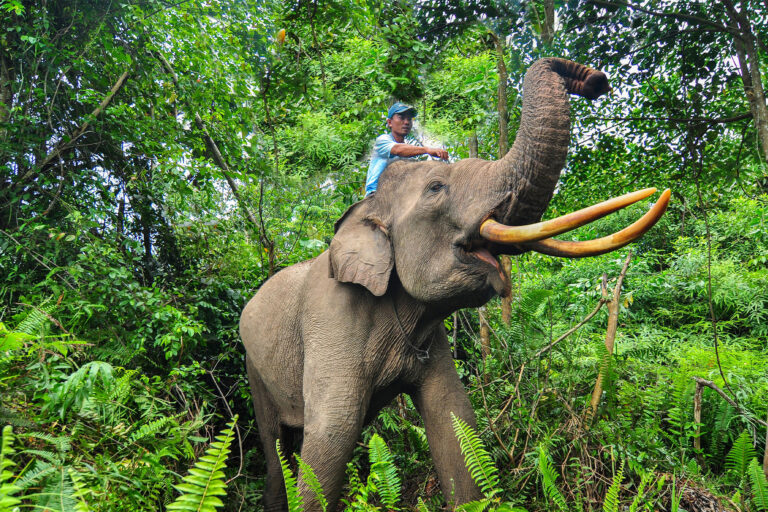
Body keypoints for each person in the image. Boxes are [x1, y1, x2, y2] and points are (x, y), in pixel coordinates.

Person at [364, 102, 449, 196]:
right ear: (389, 122)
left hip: (397, 195)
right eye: (401, 117)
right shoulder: (383, 140)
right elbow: (398, 149)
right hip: (376, 195)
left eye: (409, 119)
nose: (406, 122)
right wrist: (427, 150)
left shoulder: (409, 152)